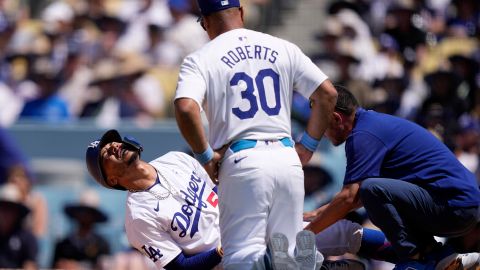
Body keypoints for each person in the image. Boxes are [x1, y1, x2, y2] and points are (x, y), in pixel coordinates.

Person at [173, 1, 337, 268]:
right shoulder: (282, 46)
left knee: (241, 256)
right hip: (287, 157)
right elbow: (327, 94)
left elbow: (185, 106)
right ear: (241, 12)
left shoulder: (201, 58)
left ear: (205, 22)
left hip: (242, 159)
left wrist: (204, 155)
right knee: (290, 251)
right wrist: (307, 145)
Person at [85, 129, 373, 270]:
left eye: (115, 143)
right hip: (232, 261)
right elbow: (180, 268)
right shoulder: (138, 217)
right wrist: (221, 252)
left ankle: (413, 255)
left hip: (254, 224)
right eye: (106, 154)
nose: (114, 147)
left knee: (346, 231)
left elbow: (224, 186)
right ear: (111, 180)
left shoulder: (175, 159)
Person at [304, 85, 480, 270]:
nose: (320, 133)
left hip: (454, 205)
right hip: (457, 205)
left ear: (335, 118)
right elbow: (356, 198)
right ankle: (441, 258)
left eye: (320, 124)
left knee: (372, 189)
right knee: (372, 193)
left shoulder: (363, 134)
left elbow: (351, 197)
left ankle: (415, 259)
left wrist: (304, 236)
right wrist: (320, 213)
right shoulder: (369, 125)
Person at [52, 189, 111, 269]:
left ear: (94, 216)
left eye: (88, 212)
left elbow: (105, 266)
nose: (84, 216)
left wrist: (79, 267)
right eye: (81, 211)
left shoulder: (102, 244)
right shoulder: (63, 245)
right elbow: (53, 266)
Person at [0, 183, 38, 270]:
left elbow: (31, 265)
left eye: (10, 209)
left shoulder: (27, 238)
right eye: (3, 208)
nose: (6, 213)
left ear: (17, 212)